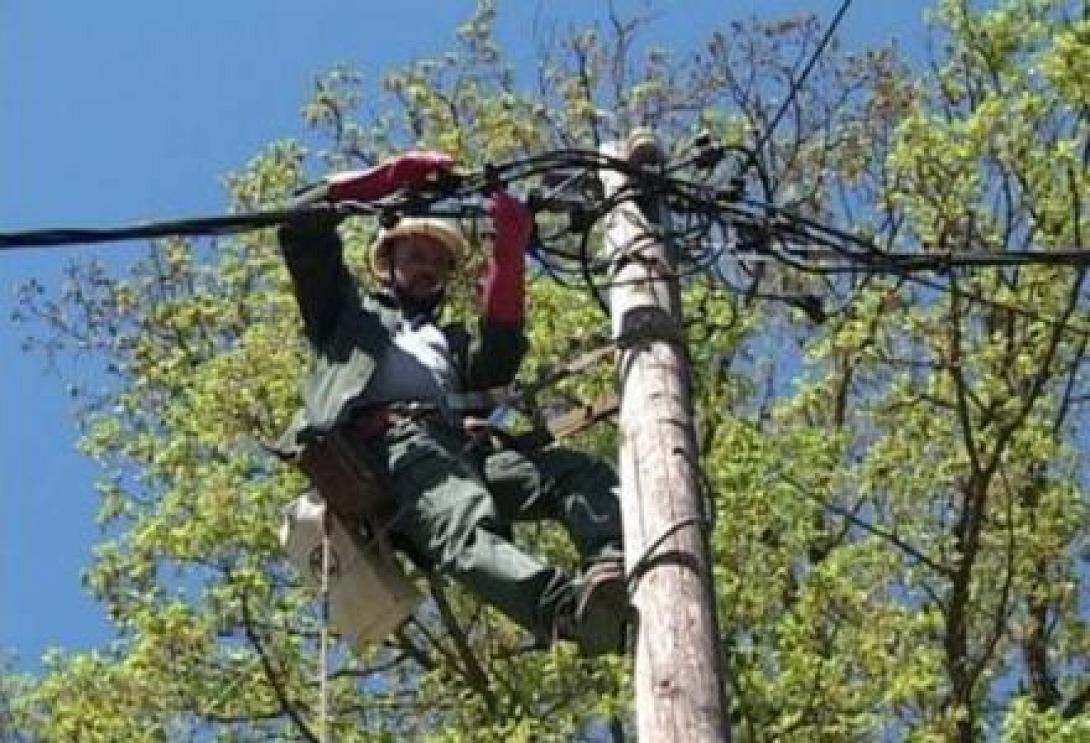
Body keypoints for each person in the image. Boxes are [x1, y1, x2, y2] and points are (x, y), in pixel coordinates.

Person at [274, 151, 628, 655]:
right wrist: (384, 180)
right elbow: (301, 225)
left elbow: (500, 354)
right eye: (416, 257)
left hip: (460, 451)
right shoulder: (347, 319)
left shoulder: (449, 344)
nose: (427, 270)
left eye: (438, 264)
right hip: (392, 448)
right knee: (463, 525)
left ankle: (610, 569)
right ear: (387, 264)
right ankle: (568, 612)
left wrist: (509, 255)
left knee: (576, 474)